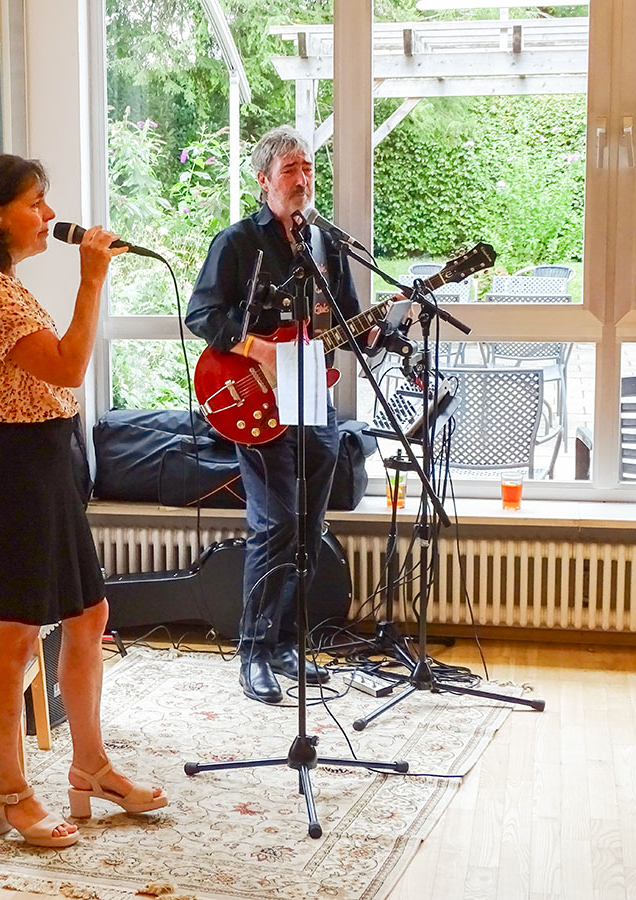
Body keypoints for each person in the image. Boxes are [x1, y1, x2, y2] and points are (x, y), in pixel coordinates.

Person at [0, 153, 167, 849]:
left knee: (89, 614)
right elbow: (66, 364)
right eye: (36, 202)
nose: (48, 214)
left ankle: (90, 767)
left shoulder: (3, 284)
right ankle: (10, 794)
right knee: (15, 638)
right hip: (10, 469)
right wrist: (92, 277)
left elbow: (55, 376)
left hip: (44, 461)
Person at [186, 126, 362, 705]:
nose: (303, 179)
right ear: (264, 180)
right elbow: (202, 315)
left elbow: (349, 319)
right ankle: (253, 650)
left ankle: (288, 640)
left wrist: (385, 329)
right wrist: (256, 347)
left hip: (315, 398)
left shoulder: (325, 242)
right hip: (255, 397)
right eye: (290, 170)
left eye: (308, 168)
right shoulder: (236, 242)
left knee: (309, 530)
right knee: (275, 524)